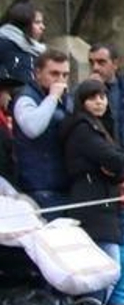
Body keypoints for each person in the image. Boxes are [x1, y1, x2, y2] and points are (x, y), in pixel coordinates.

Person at [62, 78, 124, 305]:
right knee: (105, 271)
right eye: (93, 97)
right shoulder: (83, 128)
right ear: (82, 101)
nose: (99, 102)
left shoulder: (99, 126)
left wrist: (116, 171)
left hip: (104, 203)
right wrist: (121, 172)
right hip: (93, 205)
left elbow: (115, 161)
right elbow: (116, 159)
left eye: (102, 97)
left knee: (108, 271)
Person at [12, 47, 72, 208]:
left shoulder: (66, 99)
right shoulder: (26, 98)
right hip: (39, 188)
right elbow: (33, 128)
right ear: (38, 73)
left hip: (64, 185)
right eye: (54, 74)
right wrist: (53, 97)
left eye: (65, 75)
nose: (60, 80)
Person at [0, 0, 46, 87]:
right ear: (25, 23)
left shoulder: (37, 50)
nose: (42, 27)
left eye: (42, 22)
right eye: (37, 22)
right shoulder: (4, 45)